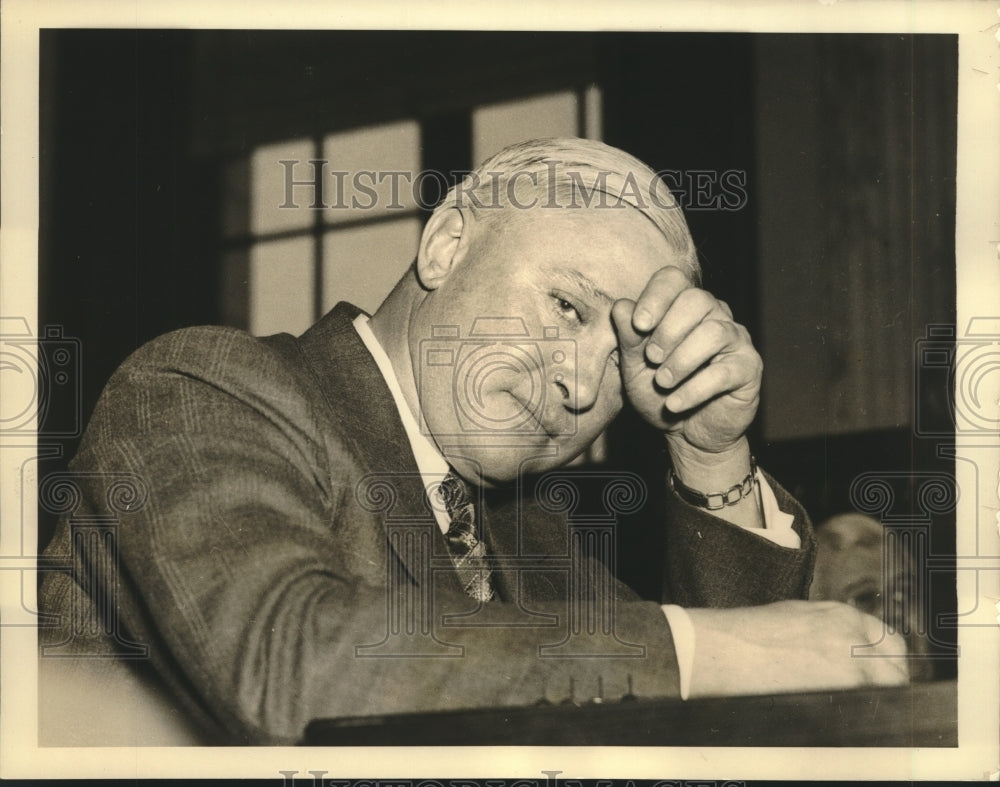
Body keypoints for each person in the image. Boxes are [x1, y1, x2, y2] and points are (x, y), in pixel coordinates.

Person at [37, 137, 908, 746]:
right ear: (448, 241)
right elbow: (288, 668)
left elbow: (737, 712)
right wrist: (701, 652)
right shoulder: (200, 390)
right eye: (567, 307)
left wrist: (710, 452)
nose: (577, 382)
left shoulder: (531, 533)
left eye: (620, 364)